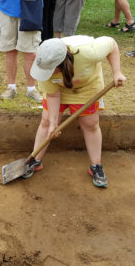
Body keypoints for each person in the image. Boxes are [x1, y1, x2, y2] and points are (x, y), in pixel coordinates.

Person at [24, 35, 126, 188]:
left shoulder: (89, 51)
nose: (46, 73)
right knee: (47, 123)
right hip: (58, 89)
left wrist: (117, 72)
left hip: (86, 87)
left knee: (90, 124)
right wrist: (53, 124)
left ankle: (96, 166)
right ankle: (35, 160)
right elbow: (52, 95)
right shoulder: (44, 64)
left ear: (60, 63)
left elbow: (111, 43)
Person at [0, 0, 43, 102]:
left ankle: (31, 89)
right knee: (10, 50)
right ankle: (11, 86)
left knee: (31, 52)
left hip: (30, 7)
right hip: (6, 9)